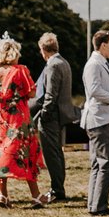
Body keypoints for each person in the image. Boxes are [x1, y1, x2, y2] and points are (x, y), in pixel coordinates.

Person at [0, 38, 46, 207]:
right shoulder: (20, 70)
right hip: (18, 116)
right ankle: (36, 195)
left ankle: (3, 195)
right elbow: (31, 94)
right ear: (14, 53)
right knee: (25, 153)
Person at [82, 30, 109, 214]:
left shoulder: (103, 63)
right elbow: (95, 91)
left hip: (105, 117)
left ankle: (94, 204)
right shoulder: (94, 64)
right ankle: (99, 206)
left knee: (99, 164)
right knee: (107, 162)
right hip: (100, 119)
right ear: (103, 44)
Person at [34, 33, 73, 206]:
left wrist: (42, 115)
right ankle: (59, 187)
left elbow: (50, 95)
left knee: (52, 154)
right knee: (57, 152)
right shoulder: (64, 62)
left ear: (43, 50)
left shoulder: (53, 65)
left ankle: (57, 189)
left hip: (52, 116)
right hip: (61, 113)